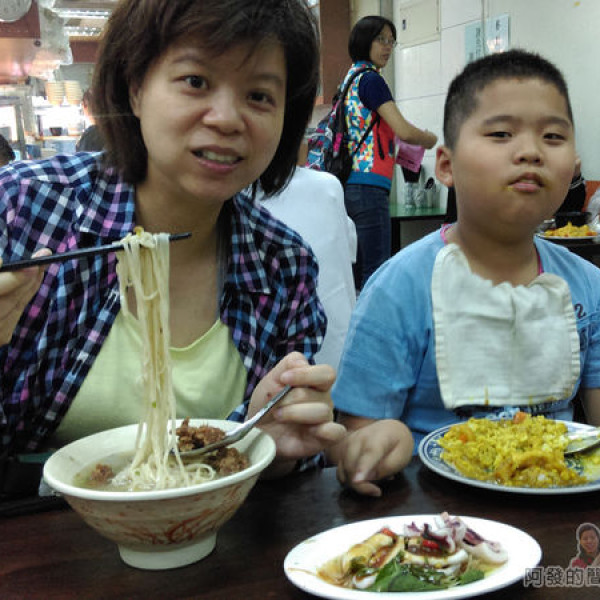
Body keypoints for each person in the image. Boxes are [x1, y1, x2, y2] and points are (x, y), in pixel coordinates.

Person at [0, 0, 346, 494]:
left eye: (259, 96)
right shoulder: (24, 208)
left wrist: (267, 445)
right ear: (136, 87)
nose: (227, 119)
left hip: (212, 530)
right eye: (196, 81)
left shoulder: (284, 264)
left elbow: (285, 468)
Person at [328, 49, 600, 497]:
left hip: (556, 512)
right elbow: (353, 437)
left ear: (572, 164)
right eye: (501, 133)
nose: (530, 151)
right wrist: (372, 445)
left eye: (553, 136)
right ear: (446, 166)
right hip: (433, 516)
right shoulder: (399, 288)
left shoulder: (588, 285)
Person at [341, 16, 437, 290]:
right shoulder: (372, 80)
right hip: (369, 185)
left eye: (391, 42)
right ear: (364, 41)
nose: (387, 47)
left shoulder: (350, 78)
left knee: (358, 271)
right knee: (376, 272)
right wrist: (429, 139)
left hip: (349, 183)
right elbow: (403, 130)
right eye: (381, 39)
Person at [261, 158, 357, 370]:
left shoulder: (236, 201)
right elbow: (349, 253)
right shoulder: (327, 187)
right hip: (339, 362)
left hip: (288, 369)